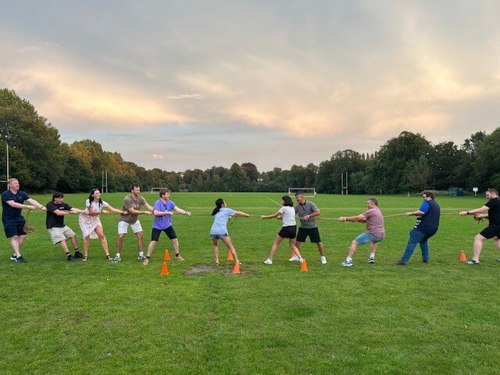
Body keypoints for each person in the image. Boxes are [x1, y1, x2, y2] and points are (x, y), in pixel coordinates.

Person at [1, 178, 46, 263]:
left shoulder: (22, 193)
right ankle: (18, 256)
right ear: (10, 185)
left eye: (18, 183)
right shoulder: (5, 194)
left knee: (22, 236)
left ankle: (14, 255)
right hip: (8, 218)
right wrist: (28, 207)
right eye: (15, 183)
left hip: (19, 217)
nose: (17, 184)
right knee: (14, 236)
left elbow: (31, 200)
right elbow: (13, 204)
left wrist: (41, 207)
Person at [143, 189, 191, 265]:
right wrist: (167, 212)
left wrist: (185, 212)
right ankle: (147, 258)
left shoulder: (170, 203)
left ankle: (177, 255)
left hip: (167, 225)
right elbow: (156, 212)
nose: (169, 195)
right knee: (154, 241)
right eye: (167, 194)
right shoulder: (157, 203)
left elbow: (177, 209)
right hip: (157, 226)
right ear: (162, 195)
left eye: (169, 194)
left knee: (174, 239)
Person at [78, 188, 126, 262]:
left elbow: (112, 209)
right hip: (85, 220)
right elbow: (91, 213)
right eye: (96, 193)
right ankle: (85, 256)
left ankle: (107, 255)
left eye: (99, 193)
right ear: (93, 195)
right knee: (86, 236)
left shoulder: (102, 202)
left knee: (101, 235)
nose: (98, 194)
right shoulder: (88, 201)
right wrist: (101, 212)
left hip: (95, 219)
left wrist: (122, 212)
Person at [397, 191, 440, 265]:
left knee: (412, 241)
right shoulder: (436, 205)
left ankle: (404, 260)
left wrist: (411, 213)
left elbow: (422, 212)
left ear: (429, 197)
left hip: (423, 228)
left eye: (424, 197)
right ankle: (426, 259)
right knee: (423, 241)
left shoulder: (427, 203)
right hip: (433, 229)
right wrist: (415, 214)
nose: (422, 199)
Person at [339, 198, 385, 267]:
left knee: (355, 242)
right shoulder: (378, 210)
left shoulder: (371, 211)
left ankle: (348, 261)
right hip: (381, 235)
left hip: (373, 233)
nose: (367, 205)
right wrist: (354, 220)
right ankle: (371, 258)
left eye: (368, 204)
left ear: (373, 204)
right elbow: (364, 220)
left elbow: (357, 218)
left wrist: (345, 218)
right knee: (374, 241)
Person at [113, 184, 153, 263]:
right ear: (132, 190)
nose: (138, 191)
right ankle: (117, 256)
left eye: (139, 190)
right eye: (136, 190)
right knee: (121, 236)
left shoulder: (140, 198)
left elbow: (147, 205)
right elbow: (132, 211)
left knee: (140, 235)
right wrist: (144, 212)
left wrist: (155, 210)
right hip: (124, 219)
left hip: (134, 220)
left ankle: (141, 255)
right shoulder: (127, 199)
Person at [459, 188, 500, 264]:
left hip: (496, 226)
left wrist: (467, 212)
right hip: (498, 225)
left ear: (493, 193)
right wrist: (482, 216)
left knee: (478, 238)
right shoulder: (498, 201)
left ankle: (475, 260)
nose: (486, 197)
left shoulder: (494, 200)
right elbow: (495, 214)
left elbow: (482, 209)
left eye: (487, 195)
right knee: (496, 238)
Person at [262, 195, 304, 265]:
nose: (281, 201)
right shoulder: (292, 208)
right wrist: (280, 217)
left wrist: (264, 217)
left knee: (276, 243)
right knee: (293, 245)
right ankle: (301, 259)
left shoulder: (283, 208)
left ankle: (269, 260)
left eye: (282, 200)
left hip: (286, 228)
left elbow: (274, 215)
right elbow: (287, 216)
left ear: (285, 201)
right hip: (293, 228)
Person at [209, 198, 250, 265]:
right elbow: (238, 213)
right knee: (231, 246)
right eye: (225, 202)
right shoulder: (227, 210)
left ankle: (217, 261)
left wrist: (229, 217)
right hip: (222, 231)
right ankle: (237, 261)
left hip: (213, 231)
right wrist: (246, 215)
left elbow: (222, 217)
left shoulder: (216, 211)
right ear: (222, 204)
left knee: (215, 245)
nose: (226, 203)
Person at [46, 192, 84, 261]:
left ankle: (77, 252)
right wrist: (69, 212)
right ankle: (69, 256)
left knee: (73, 235)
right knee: (62, 239)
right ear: (55, 198)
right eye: (60, 198)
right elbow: (58, 213)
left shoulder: (63, 204)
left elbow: (73, 209)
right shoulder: (50, 204)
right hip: (53, 226)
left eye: (62, 198)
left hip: (62, 226)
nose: (61, 199)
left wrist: (84, 211)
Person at [293, 191, 327, 264]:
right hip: (303, 227)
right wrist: (281, 216)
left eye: (297, 197)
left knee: (318, 242)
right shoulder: (297, 206)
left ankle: (323, 257)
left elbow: (318, 212)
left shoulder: (311, 204)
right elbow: (291, 213)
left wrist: (309, 216)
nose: (296, 199)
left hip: (313, 227)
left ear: (302, 197)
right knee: (297, 242)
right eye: (296, 198)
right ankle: (297, 257)